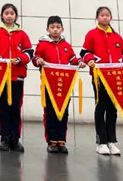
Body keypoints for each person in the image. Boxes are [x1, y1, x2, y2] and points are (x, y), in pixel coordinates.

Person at [81, 7, 123, 156]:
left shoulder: (116, 36)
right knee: (101, 107)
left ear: (111, 18)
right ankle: (101, 142)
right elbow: (85, 52)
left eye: (107, 15)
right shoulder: (91, 34)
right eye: (102, 15)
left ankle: (111, 141)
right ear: (97, 18)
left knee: (112, 108)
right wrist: (91, 60)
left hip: (115, 77)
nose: (105, 17)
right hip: (99, 77)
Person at [33, 16, 86, 154]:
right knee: (50, 112)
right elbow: (35, 57)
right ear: (47, 29)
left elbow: (73, 58)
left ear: (62, 29)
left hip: (64, 85)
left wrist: (80, 61)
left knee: (63, 112)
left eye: (58, 27)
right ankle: (52, 141)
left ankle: (61, 140)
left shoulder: (66, 46)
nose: (55, 30)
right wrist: (38, 60)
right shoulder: (42, 45)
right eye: (52, 27)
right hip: (48, 84)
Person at [0, 3, 34, 152]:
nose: (9, 16)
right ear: (2, 15)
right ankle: (4, 138)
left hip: (17, 76)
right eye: (6, 13)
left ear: (16, 16)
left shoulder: (22, 34)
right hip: (2, 77)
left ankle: (15, 138)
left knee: (15, 107)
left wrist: (21, 59)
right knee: (3, 108)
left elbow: (29, 52)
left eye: (11, 13)